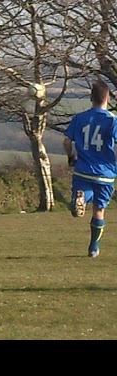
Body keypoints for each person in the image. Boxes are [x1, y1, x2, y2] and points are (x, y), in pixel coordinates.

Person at [63, 79, 117, 258]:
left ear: (91, 98)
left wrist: (71, 156)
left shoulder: (79, 118)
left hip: (83, 169)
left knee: (83, 194)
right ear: (108, 98)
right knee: (99, 210)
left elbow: (66, 141)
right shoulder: (112, 120)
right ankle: (94, 247)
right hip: (105, 173)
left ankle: (80, 199)